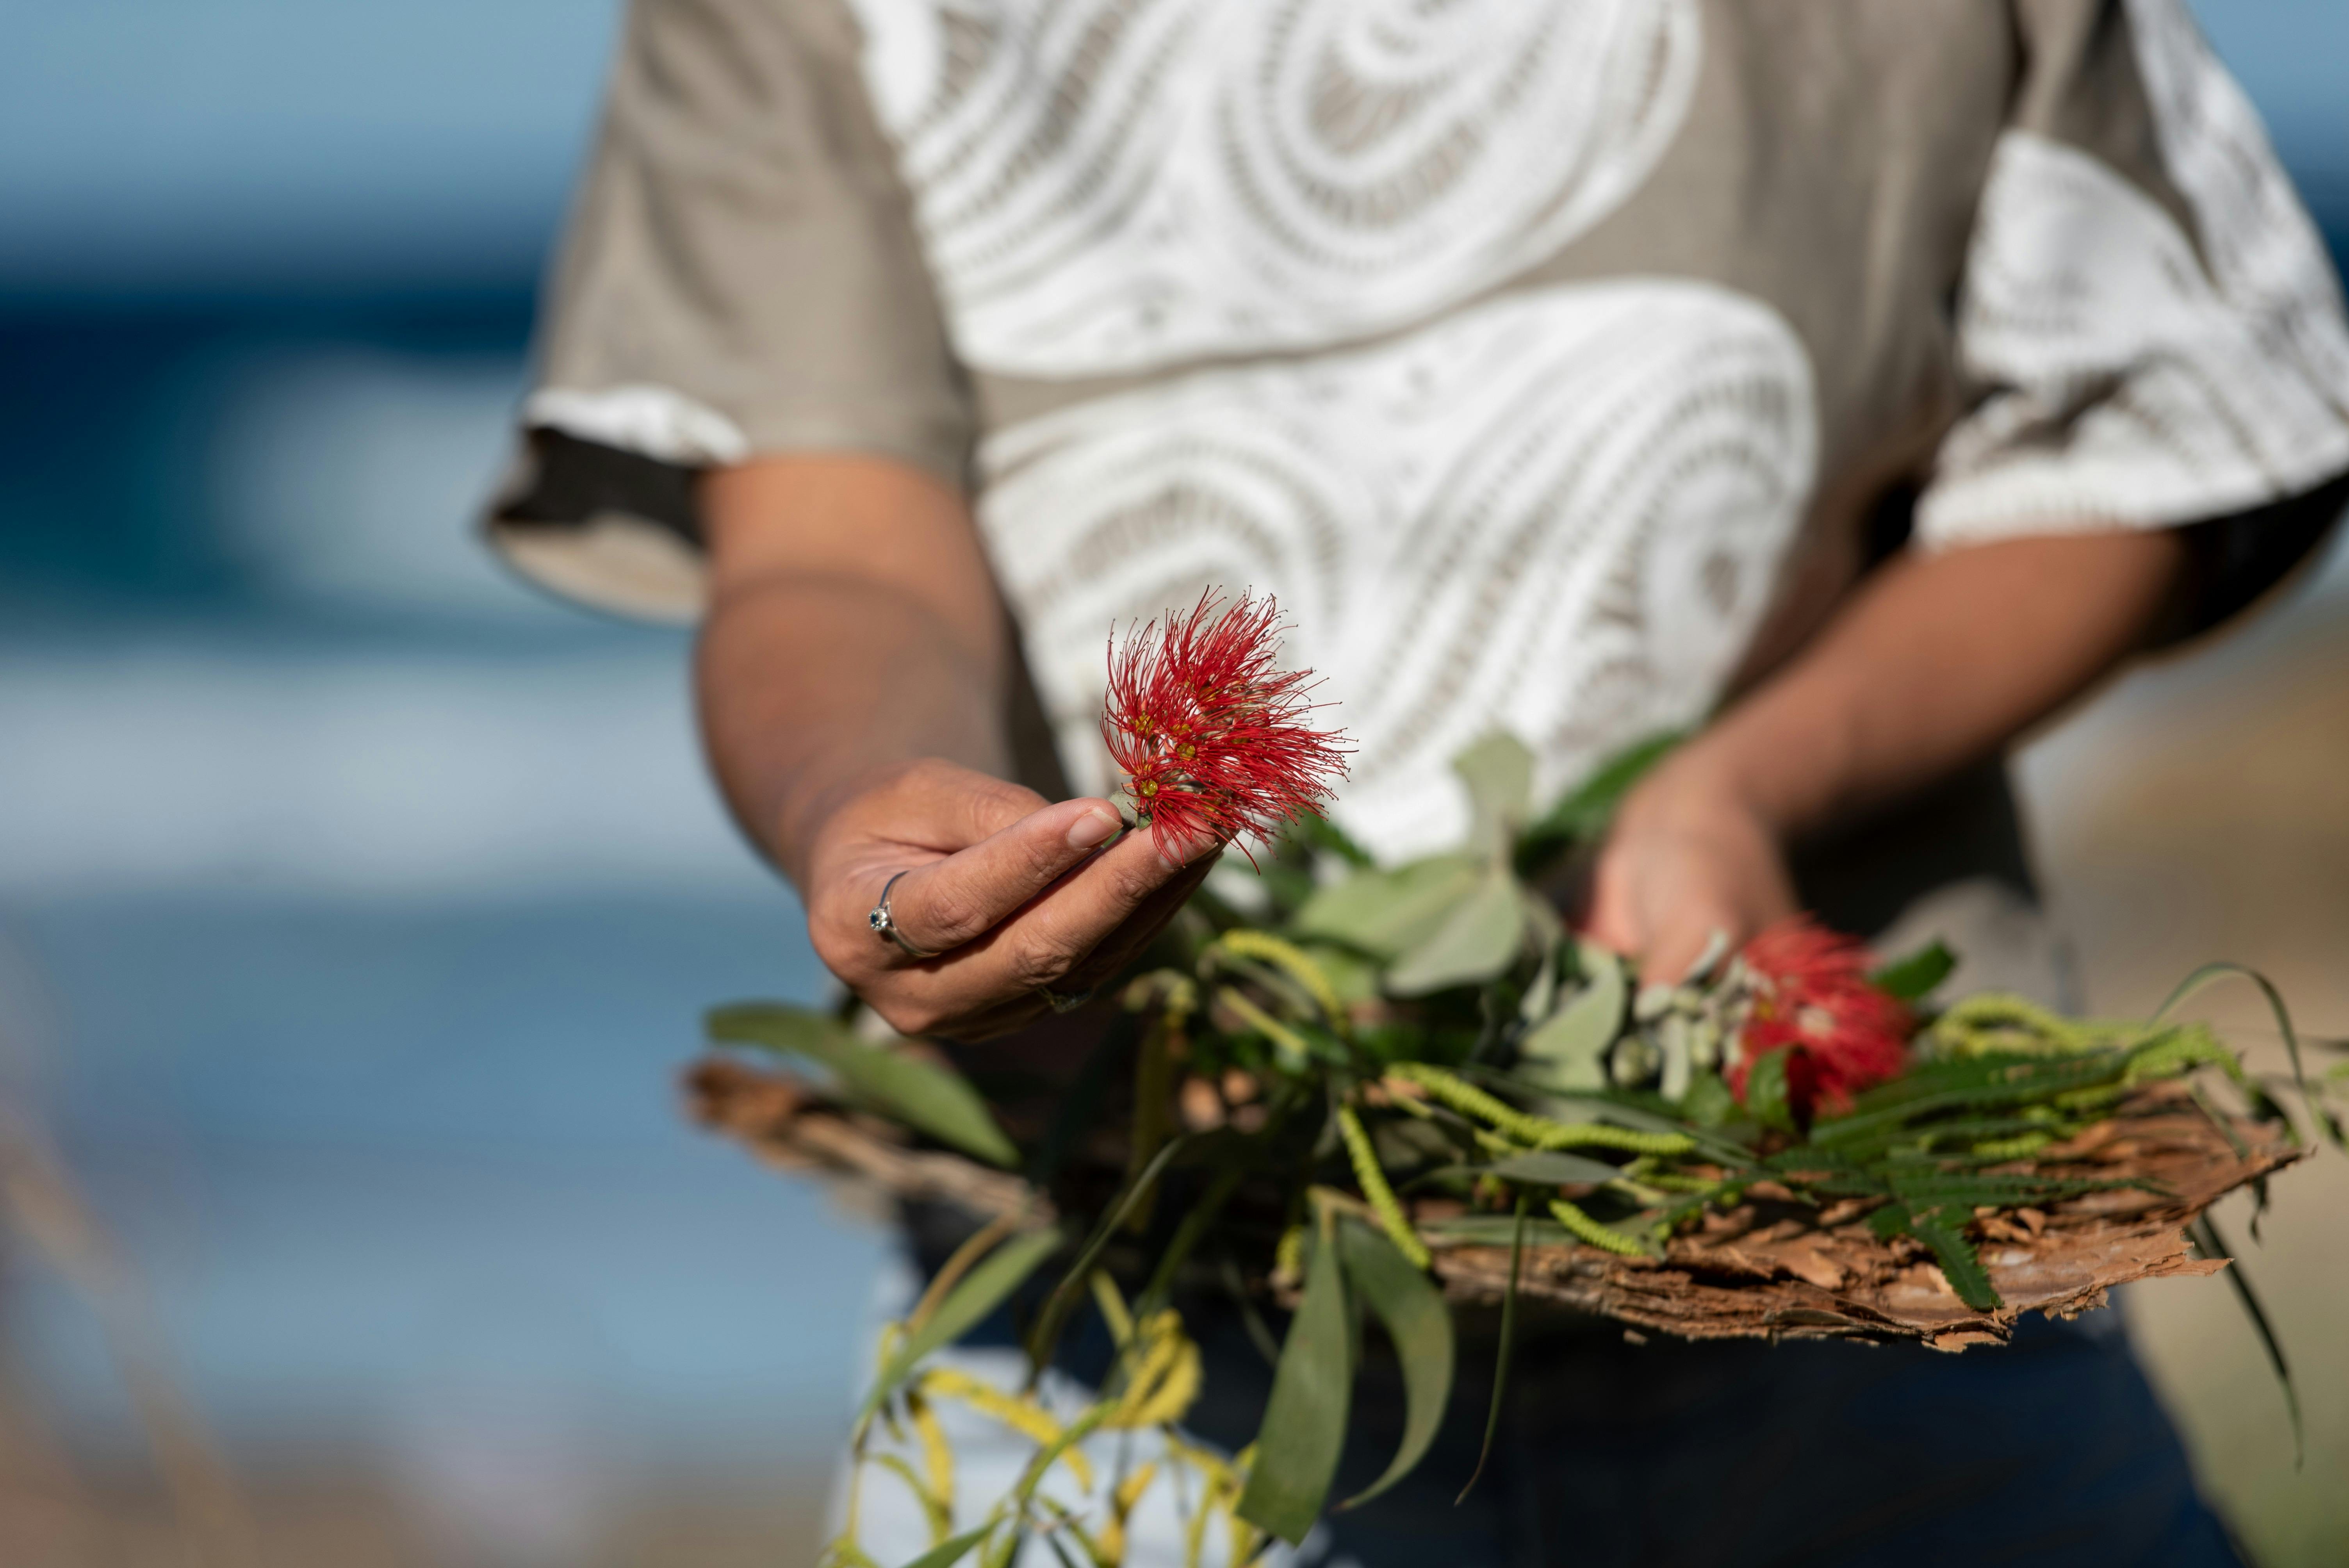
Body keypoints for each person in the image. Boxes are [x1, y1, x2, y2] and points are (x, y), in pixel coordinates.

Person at [486, 1, 2349, 1562]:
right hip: (1110, 1305)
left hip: (1881, 1301)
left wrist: (1744, 781)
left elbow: (2168, 426)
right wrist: (863, 810)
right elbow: (823, 542)